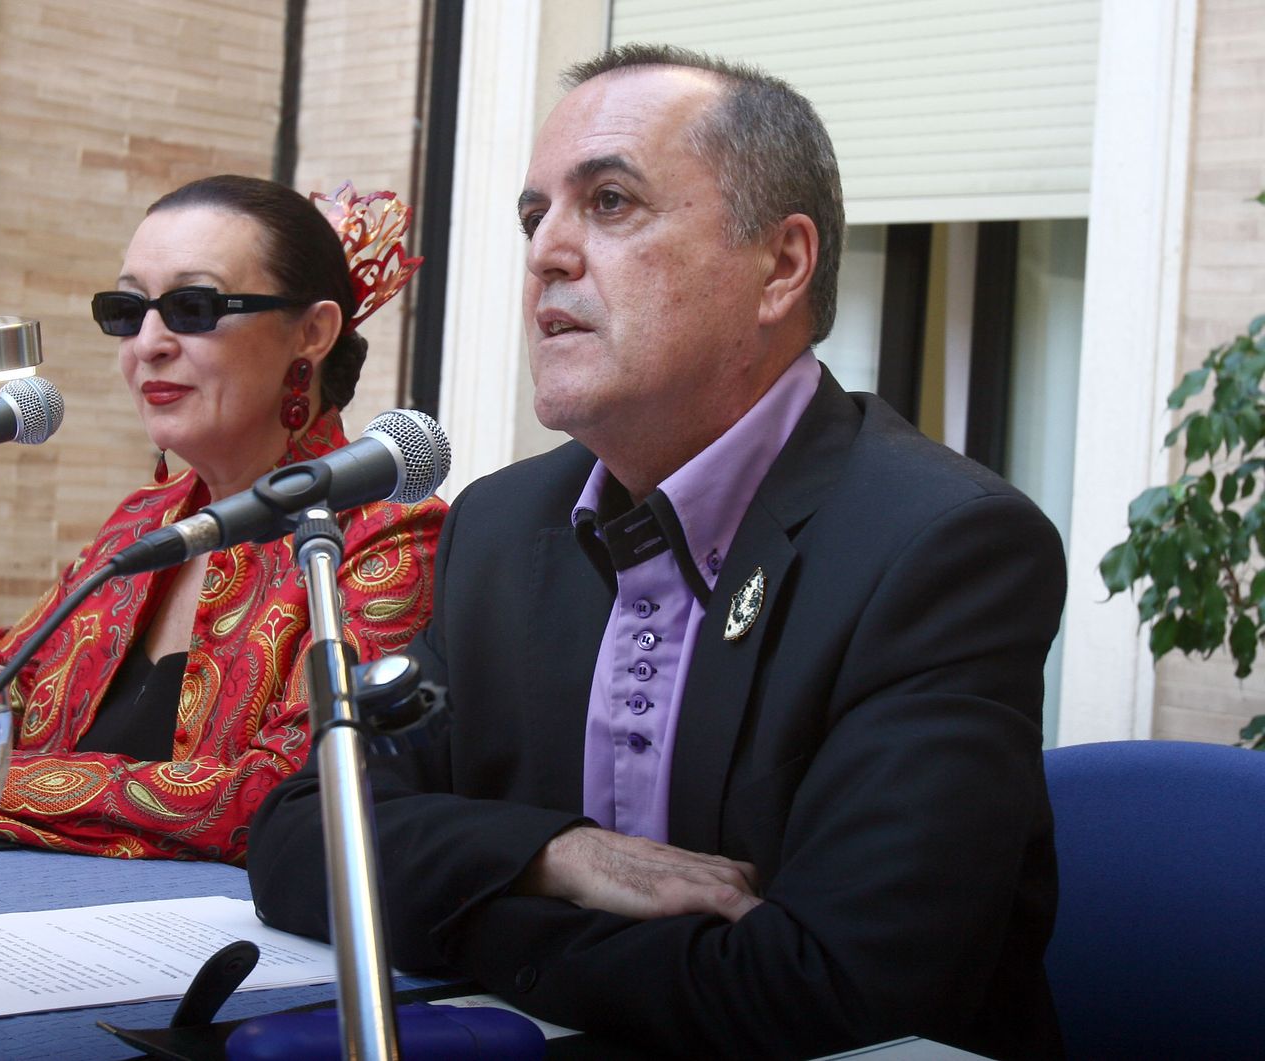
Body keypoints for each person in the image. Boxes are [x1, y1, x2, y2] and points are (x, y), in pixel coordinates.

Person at [247, 45, 1066, 1059]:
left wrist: (468, 907)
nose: (547, 250)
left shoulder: (940, 546)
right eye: (532, 216)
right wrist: (551, 853)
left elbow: (828, 988)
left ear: (781, 265)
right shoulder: (502, 527)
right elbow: (297, 833)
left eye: (611, 202)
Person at [0, 175, 446, 861]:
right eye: (128, 310)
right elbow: (5, 676)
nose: (148, 343)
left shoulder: (390, 535)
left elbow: (284, 795)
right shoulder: (144, 520)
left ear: (312, 332)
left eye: (194, 306)